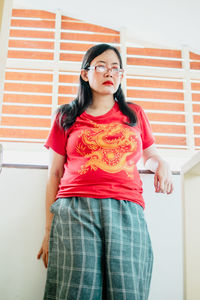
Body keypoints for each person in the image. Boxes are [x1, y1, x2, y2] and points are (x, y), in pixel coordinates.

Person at [37, 43, 173, 300]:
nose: (110, 73)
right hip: (75, 209)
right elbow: (53, 174)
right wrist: (48, 231)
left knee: (127, 291)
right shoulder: (66, 116)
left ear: (121, 75)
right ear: (85, 73)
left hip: (126, 210)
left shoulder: (135, 113)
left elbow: (150, 155)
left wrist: (162, 164)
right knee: (76, 292)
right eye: (101, 66)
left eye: (115, 68)